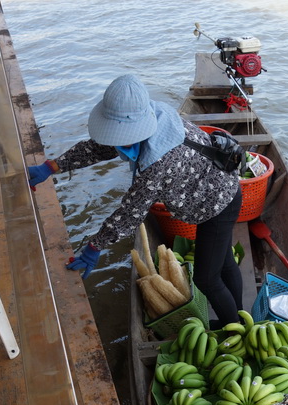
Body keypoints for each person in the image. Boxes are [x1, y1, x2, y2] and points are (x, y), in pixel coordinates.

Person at [28, 74, 243, 325]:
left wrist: (94, 247)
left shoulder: (159, 162)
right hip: (216, 188)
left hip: (219, 203)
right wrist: (52, 166)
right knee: (224, 261)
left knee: (206, 278)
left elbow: (131, 212)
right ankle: (239, 314)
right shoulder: (155, 115)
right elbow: (99, 147)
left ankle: (235, 327)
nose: (118, 141)